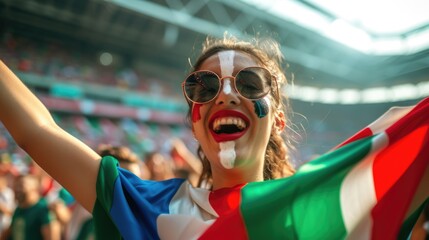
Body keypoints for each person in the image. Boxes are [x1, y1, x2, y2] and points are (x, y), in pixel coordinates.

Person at [0, 34, 428, 239]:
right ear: (193, 118)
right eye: (203, 88)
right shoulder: (142, 208)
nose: (225, 94)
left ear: (277, 118)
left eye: (249, 82)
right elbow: (35, 129)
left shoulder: (325, 204)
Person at [0, 174, 61, 240]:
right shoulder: (19, 209)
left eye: (21, 186)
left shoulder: (43, 210)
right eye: (16, 185)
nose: (17, 189)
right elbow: (10, 231)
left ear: (34, 189)